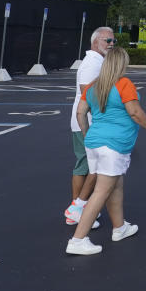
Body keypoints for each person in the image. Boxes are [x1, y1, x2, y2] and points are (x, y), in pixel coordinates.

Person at [67, 47, 146, 256]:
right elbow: (135, 112)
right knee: (101, 191)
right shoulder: (124, 84)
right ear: (121, 64)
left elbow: (80, 112)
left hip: (95, 143)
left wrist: (87, 136)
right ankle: (78, 239)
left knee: (116, 185)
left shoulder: (94, 86)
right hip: (113, 145)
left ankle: (119, 227)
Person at [65, 27, 114, 228]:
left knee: (90, 166)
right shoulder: (92, 63)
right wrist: (104, 119)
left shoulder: (99, 61)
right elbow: (87, 92)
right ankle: (76, 209)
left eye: (113, 40)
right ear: (95, 41)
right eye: (107, 40)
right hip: (87, 123)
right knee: (89, 166)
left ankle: (80, 208)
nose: (111, 44)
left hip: (91, 123)